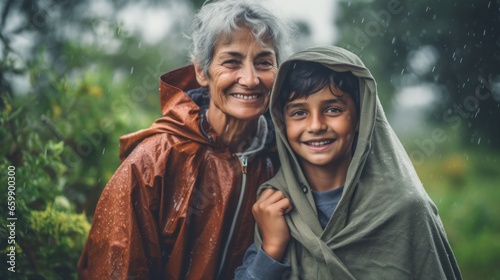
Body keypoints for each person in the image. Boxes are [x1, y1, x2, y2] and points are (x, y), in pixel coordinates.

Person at [77, 0, 293, 279]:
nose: (250, 79)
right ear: (202, 72)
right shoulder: (153, 161)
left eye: (264, 62)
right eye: (231, 62)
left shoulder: (285, 160)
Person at [235, 45, 462, 279]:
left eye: (333, 109)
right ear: (282, 124)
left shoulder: (404, 208)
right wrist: (271, 250)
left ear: (359, 119)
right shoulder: (273, 206)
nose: (316, 126)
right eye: (299, 113)